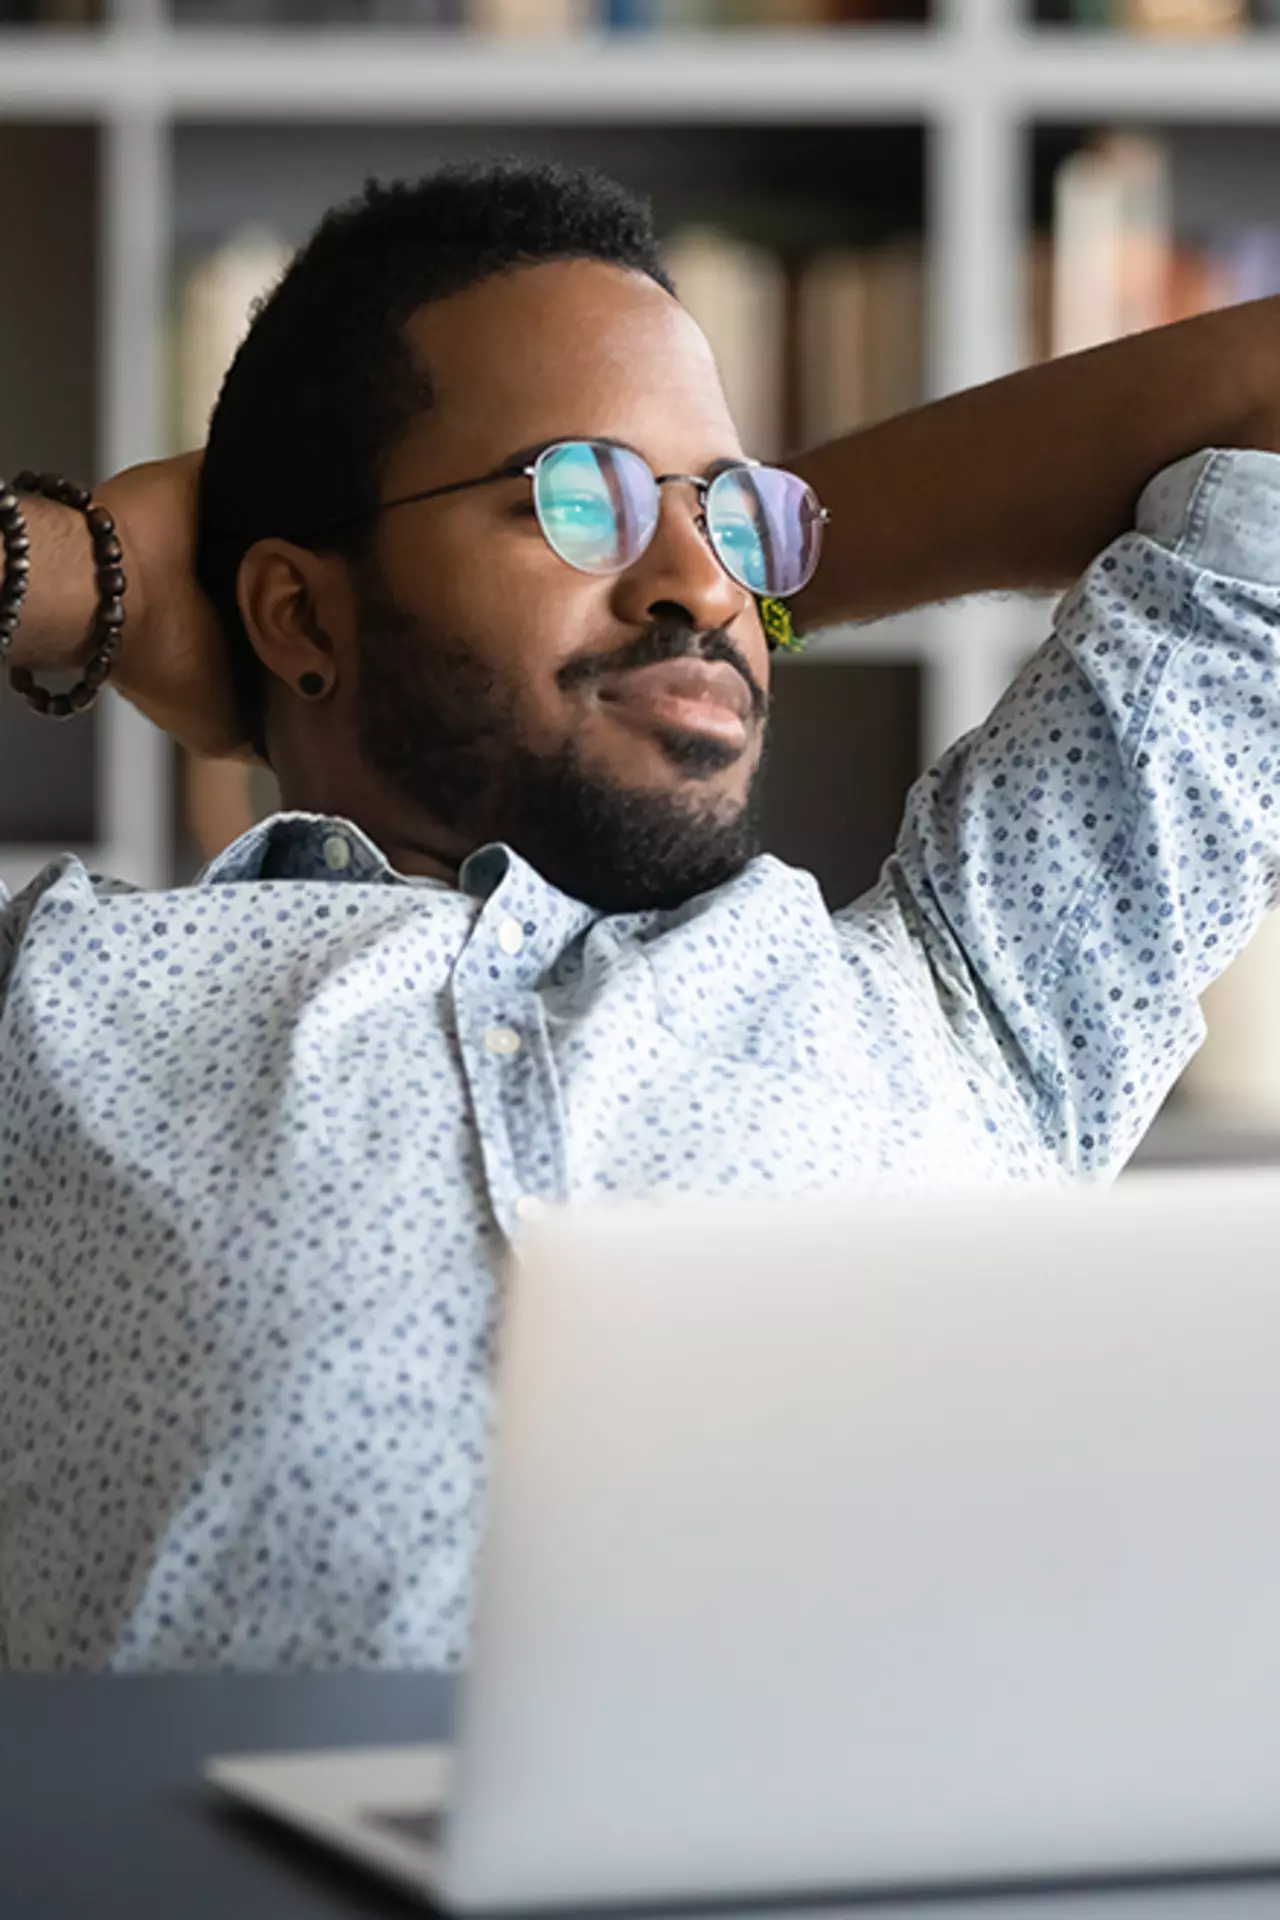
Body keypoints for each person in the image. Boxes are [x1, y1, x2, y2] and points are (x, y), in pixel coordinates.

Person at [2, 159, 1279, 1672]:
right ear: (298, 617)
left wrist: (711, 567)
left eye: (739, 520)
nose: (702, 585)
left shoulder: (982, 995)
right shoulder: (54, 1005)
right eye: (569, 495)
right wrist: (81, 565)